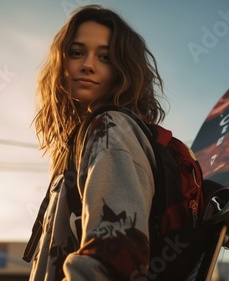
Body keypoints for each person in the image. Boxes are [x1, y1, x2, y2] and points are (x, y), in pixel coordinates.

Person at [26, 4, 166, 280]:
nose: (88, 65)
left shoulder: (111, 130)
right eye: (77, 53)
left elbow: (113, 261)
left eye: (105, 57)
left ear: (122, 68)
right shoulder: (82, 140)